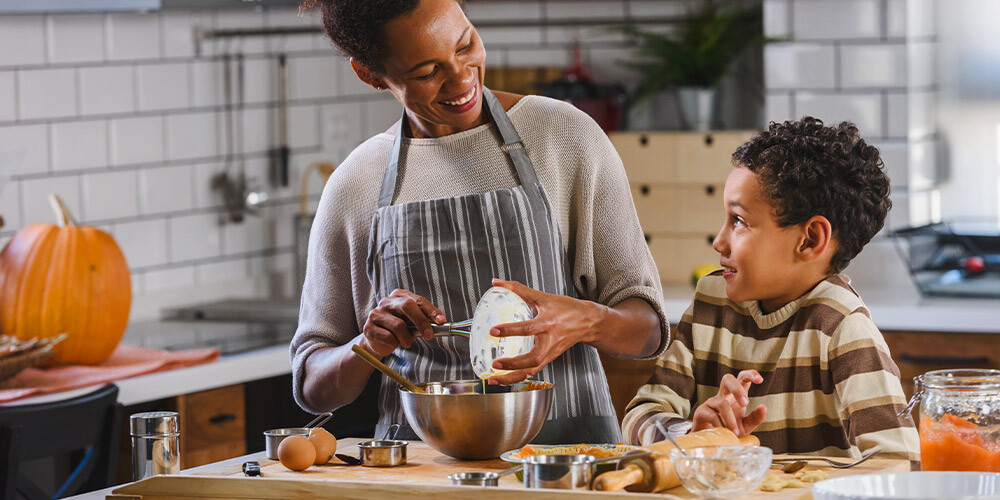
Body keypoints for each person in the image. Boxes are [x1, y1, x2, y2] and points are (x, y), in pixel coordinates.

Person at [290, 0, 669, 443]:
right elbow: (311, 388)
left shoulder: (563, 136)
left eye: (466, 44)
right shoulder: (356, 184)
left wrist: (586, 321)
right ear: (370, 74)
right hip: (418, 472)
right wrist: (368, 347)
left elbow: (649, 329)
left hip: (566, 463)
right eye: (427, 71)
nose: (461, 78)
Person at [622, 117, 921, 466]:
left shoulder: (841, 327)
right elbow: (639, 415)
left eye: (739, 221)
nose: (719, 241)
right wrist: (691, 435)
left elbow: (900, 462)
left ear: (810, 240)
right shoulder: (712, 302)